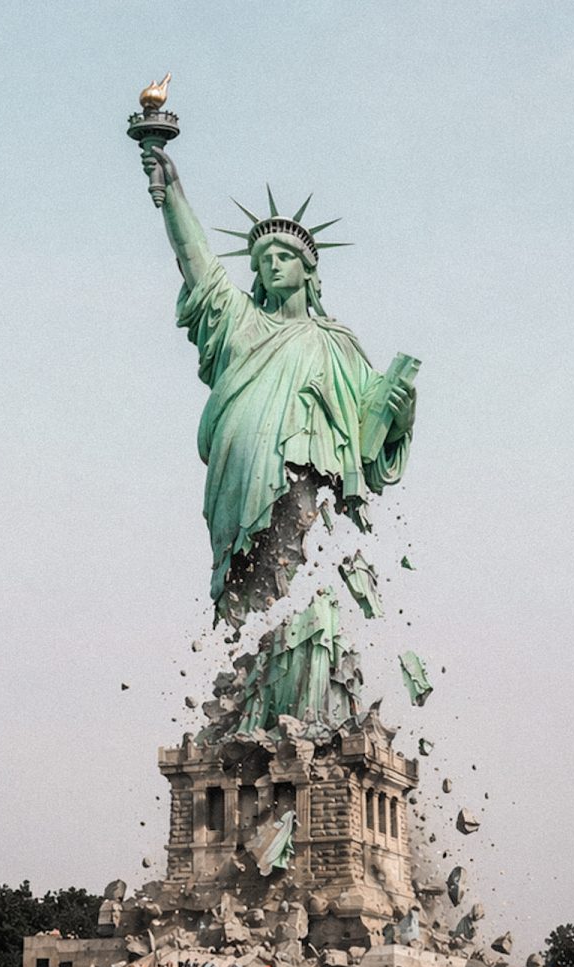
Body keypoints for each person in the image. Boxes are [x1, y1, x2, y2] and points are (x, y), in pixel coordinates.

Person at [139, 143, 417, 632]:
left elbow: (372, 444)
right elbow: (196, 262)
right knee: (249, 604)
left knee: (307, 591)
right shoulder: (237, 322)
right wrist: (174, 195)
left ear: (309, 270)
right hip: (237, 479)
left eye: (285, 255)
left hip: (307, 481)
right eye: (264, 257)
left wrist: (402, 415)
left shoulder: (338, 346)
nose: (272, 264)